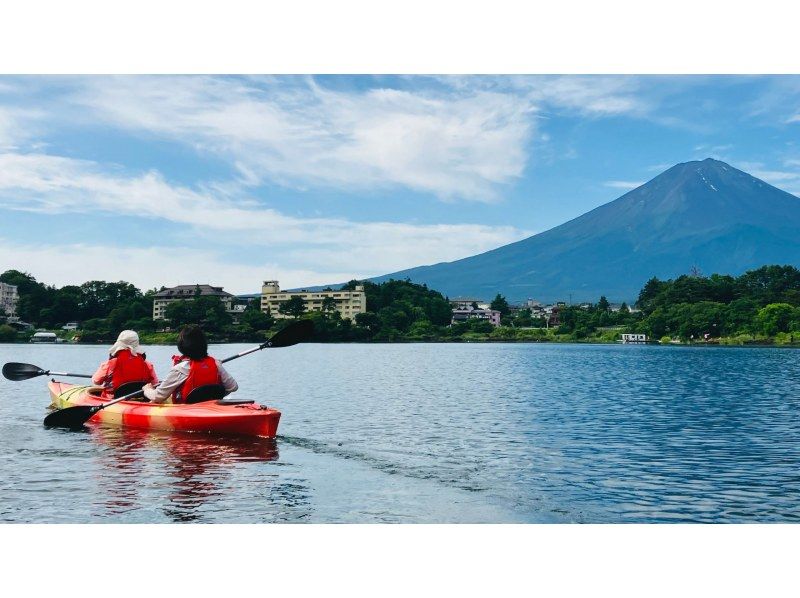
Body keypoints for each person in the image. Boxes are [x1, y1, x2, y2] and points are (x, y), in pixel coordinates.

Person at [143, 325, 238, 404]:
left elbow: (158, 397)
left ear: (182, 347)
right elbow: (233, 387)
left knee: (156, 400)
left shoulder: (180, 369)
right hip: (211, 407)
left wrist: (147, 390)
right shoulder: (216, 364)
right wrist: (214, 395)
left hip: (187, 410)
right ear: (204, 344)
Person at [92, 330, 159, 395]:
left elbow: (96, 381)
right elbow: (155, 383)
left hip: (114, 399)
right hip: (141, 399)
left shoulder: (109, 364)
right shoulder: (147, 364)